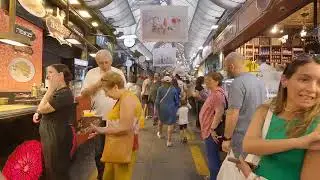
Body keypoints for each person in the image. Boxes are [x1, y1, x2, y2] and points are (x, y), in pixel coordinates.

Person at [237, 54, 320, 180]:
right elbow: (249, 145)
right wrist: (299, 142)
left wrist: (250, 177)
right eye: (304, 80)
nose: (313, 89)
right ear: (284, 80)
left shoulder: (317, 124)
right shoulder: (266, 110)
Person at [81, 49, 126, 180]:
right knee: (98, 151)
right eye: (101, 63)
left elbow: (124, 93)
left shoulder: (118, 73)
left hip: (115, 117)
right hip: (96, 117)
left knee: (114, 149)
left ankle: (112, 175)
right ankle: (101, 176)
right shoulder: (91, 73)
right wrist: (99, 84)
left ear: (111, 61)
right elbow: (84, 94)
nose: (104, 65)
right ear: (97, 62)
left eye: (106, 62)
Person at [90, 71, 143, 180]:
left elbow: (124, 127)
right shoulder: (123, 98)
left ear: (115, 87)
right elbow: (119, 123)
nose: (106, 95)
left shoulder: (127, 100)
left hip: (124, 147)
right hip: (118, 146)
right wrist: (102, 129)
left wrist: (101, 130)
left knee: (120, 176)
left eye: (106, 91)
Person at [33, 64, 74, 180]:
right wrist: (39, 113)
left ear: (60, 75)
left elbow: (41, 108)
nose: (48, 76)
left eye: (51, 72)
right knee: (52, 167)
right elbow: (41, 110)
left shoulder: (63, 94)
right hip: (54, 133)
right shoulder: (59, 92)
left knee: (56, 168)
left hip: (56, 135)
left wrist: (50, 89)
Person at [222, 52, 266, 158]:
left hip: (241, 137)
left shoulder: (237, 83)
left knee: (238, 170)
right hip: (257, 135)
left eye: (226, 67)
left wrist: (227, 138)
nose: (225, 70)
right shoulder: (259, 82)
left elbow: (233, 113)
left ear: (231, 66)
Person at [199, 72, 227, 180]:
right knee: (212, 156)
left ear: (216, 81)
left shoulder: (217, 94)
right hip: (209, 130)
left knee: (212, 158)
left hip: (211, 132)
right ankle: (213, 176)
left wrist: (212, 129)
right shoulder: (215, 92)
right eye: (206, 80)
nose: (206, 82)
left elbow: (219, 112)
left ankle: (215, 177)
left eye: (209, 80)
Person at [155, 76, 179, 147]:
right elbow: (176, 101)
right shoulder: (174, 89)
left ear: (163, 82)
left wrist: (157, 108)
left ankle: (160, 133)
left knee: (161, 120)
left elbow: (157, 100)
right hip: (171, 108)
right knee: (170, 124)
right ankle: (169, 141)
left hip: (162, 108)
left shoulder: (160, 89)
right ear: (170, 82)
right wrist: (176, 107)